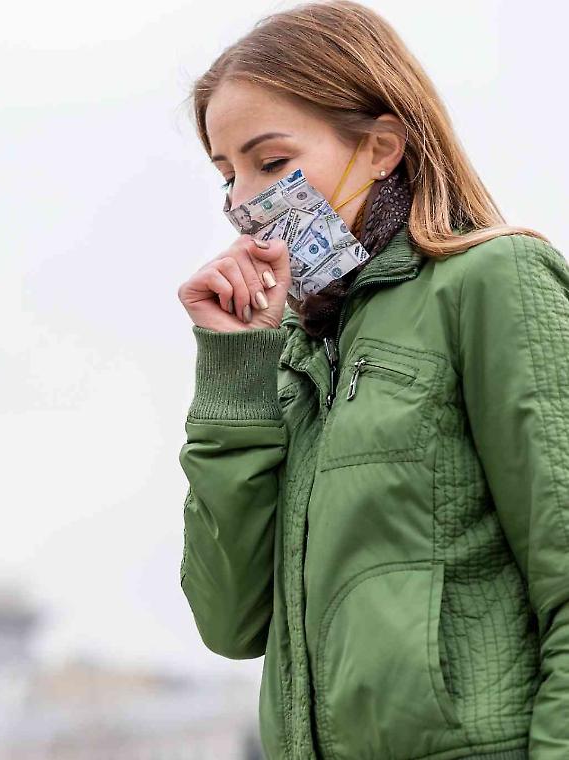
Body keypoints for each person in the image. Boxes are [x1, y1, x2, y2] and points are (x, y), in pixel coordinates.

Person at [174, 2, 569, 759]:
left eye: (272, 161)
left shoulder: (494, 281)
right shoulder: (294, 356)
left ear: (382, 146)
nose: (245, 204)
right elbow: (230, 621)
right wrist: (234, 372)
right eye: (228, 176)